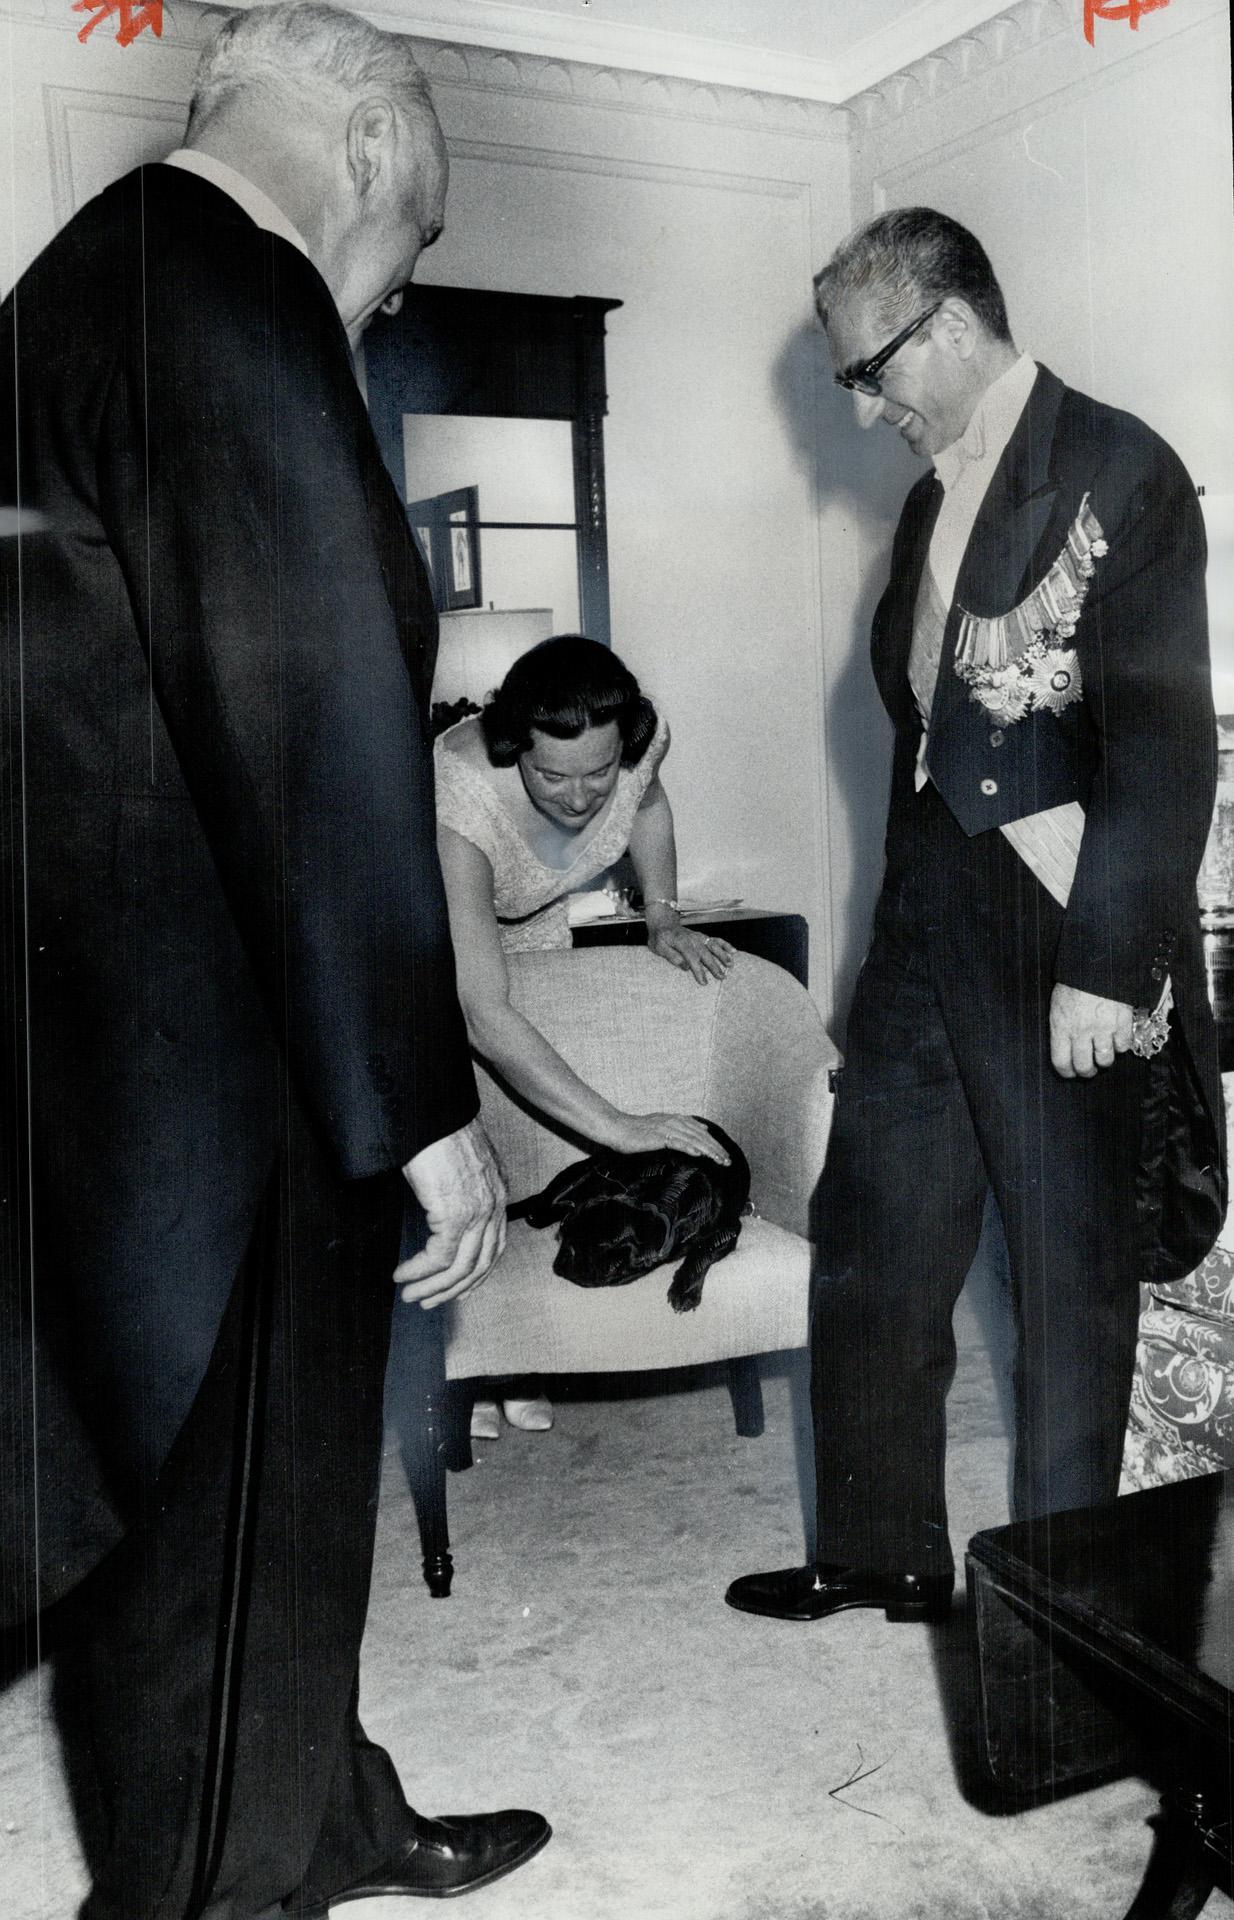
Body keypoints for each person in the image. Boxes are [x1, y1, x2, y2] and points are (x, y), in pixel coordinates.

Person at [0, 6, 550, 1915]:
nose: (393, 296)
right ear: (375, 151)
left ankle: (330, 1813)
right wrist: (420, 1112)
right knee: (227, 1539)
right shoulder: (233, 300)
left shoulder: (69, 292)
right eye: (416, 246)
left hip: (104, 1072)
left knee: (222, 1525)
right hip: (235, 1102)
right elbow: (310, 736)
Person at [726, 207, 1226, 1628]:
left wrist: (1108, 967)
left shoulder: (1119, 465)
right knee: (873, 1234)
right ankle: (877, 1549)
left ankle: (1067, 1612)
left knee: (1066, 1282)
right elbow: (924, 725)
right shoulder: (928, 498)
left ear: (947, 325)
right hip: (925, 918)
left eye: (869, 371)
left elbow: (1161, 746)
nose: (862, 407)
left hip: (1057, 924)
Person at [435, 634, 733, 1438]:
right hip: (427, 935)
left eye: (597, 773)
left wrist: (662, 914)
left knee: (538, 1140)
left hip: (536, 920)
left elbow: (649, 804)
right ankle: (465, 1366)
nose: (577, 797)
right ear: (515, 748)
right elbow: (482, 1013)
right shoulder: (459, 797)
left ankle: (523, 1358)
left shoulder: (638, 746)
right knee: (465, 1144)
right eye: (551, 775)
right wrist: (620, 1128)